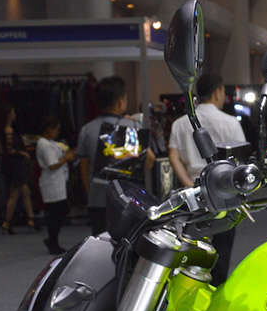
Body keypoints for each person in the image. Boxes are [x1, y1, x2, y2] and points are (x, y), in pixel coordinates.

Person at [168, 73, 246, 282]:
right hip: (223, 195)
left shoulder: (180, 123)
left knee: (188, 244)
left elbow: (173, 157)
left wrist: (188, 184)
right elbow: (239, 160)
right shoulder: (230, 122)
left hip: (190, 192)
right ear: (217, 92)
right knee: (222, 246)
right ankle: (215, 288)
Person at [77, 75, 155, 237]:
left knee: (100, 242)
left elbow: (83, 169)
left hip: (98, 198)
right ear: (120, 102)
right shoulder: (132, 126)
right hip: (129, 198)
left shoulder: (87, 129)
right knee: (129, 242)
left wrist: (91, 194)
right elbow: (149, 161)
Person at [36, 117, 78, 255]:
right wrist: (66, 158)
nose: (58, 132)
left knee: (60, 210)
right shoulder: (45, 145)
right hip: (52, 182)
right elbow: (52, 164)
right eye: (57, 129)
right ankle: (52, 240)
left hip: (57, 181)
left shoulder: (50, 143)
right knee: (55, 212)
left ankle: (52, 239)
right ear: (50, 129)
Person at [0, 104, 36, 234]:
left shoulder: (3, 130)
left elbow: (2, 150)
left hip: (11, 164)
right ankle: (7, 222)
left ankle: (31, 219)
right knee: (14, 194)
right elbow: (9, 150)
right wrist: (23, 154)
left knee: (25, 191)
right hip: (14, 165)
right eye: (13, 112)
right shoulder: (9, 130)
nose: (15, 115)